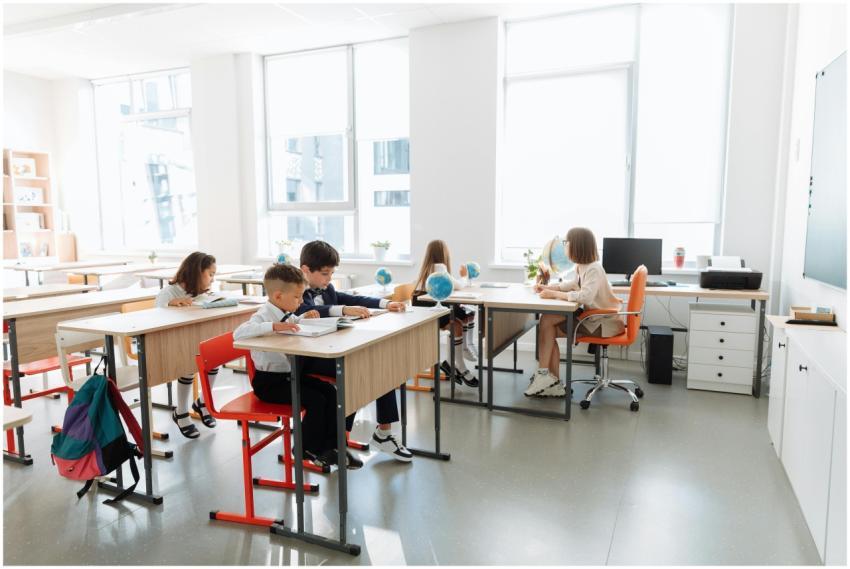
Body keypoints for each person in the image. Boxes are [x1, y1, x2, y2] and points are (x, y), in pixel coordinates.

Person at [295, 240, 413, 463]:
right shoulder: (297, 290)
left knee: (379, 365)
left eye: (331, 273)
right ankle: (338, 441)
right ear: (305, 270)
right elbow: (307, 310)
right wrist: (342, 309)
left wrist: (383, 303)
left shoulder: (327, 288)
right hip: (309, 358)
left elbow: (352, 298)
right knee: (356, 371)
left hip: (333, 348)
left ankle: (383, 433)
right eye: (325, 273)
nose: (329, 279)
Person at [233, 263, 358, 469]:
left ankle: (335, 448)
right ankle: (307, 448)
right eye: (298, 297)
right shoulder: (263, 315)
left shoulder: (286, 311)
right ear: (278, 296)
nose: (301, 301)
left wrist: (302, 318)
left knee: (331, 392)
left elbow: (291, 326)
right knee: (315, 400)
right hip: (269, 384)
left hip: (290, 377)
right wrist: (272, 326)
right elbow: (238, 334)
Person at [526, 227, 625, 397]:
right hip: (593, 318)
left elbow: (585, 297)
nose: (565, 246)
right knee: (547, 323)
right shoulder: (582, 266)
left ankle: (545, 377)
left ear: (577, 245)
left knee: (547, 325)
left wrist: (554, 294)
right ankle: (551, 382)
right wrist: (547, 287)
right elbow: (571, 285)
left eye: (566, 243)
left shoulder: (593, 268)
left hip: (602, 322)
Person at [156, 251, 220, 438]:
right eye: (211, 274)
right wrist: (170, 304)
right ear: (196, 272)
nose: (213, 279)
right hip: (170, 345)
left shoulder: (200, 292)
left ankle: (202, 402)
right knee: (188, 364)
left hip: (192, 340)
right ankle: (181, 413)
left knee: (213, 358)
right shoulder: (169, 292)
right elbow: (155, 315)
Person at [411, 239, 479, 387]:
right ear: (443, 254)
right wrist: (464, 275)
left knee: (465, 314)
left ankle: (451, 362)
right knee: (457, 325)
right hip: (426, 308)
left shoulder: (428, 268)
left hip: (425, 303)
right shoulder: (439, 268)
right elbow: (458, 285)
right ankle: (459, 364)